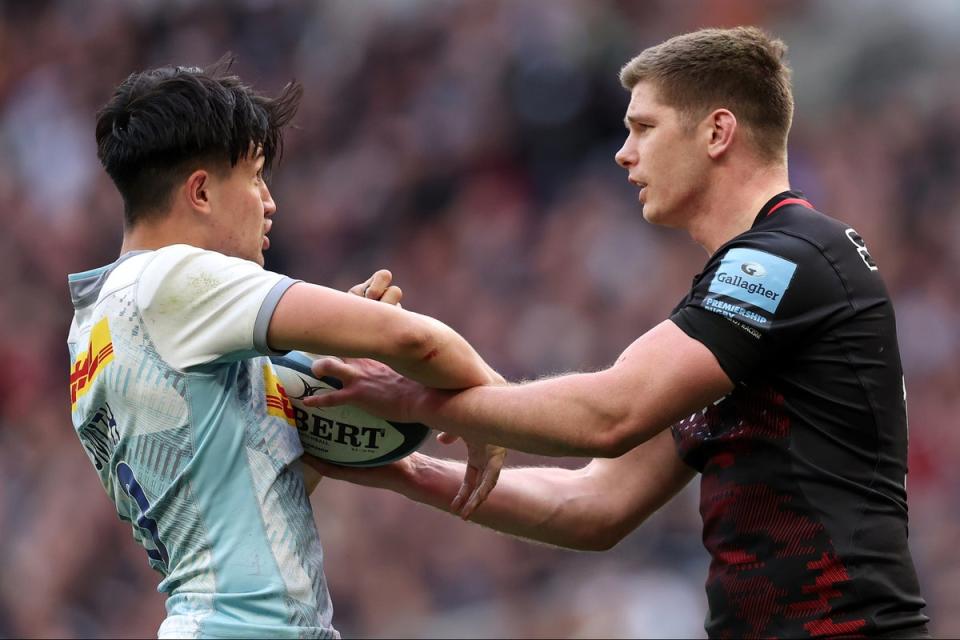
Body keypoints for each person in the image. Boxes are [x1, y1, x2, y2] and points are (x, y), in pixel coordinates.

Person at [304, 27, 930, 638]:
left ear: (717, 132)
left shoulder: (786, 258)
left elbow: (611, 414)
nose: (623, 153)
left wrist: (414, 398)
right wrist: (397, 466)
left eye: (644, 128)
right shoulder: (754, 294)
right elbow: (596, 504)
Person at [68, 58, 504, 639]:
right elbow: (414, 338)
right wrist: (497, 410)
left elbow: (266, 501)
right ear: (200, 191)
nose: (270, 202)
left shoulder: (96, 325)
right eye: (254, 178)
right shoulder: (172, 280)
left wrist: (333, 370)